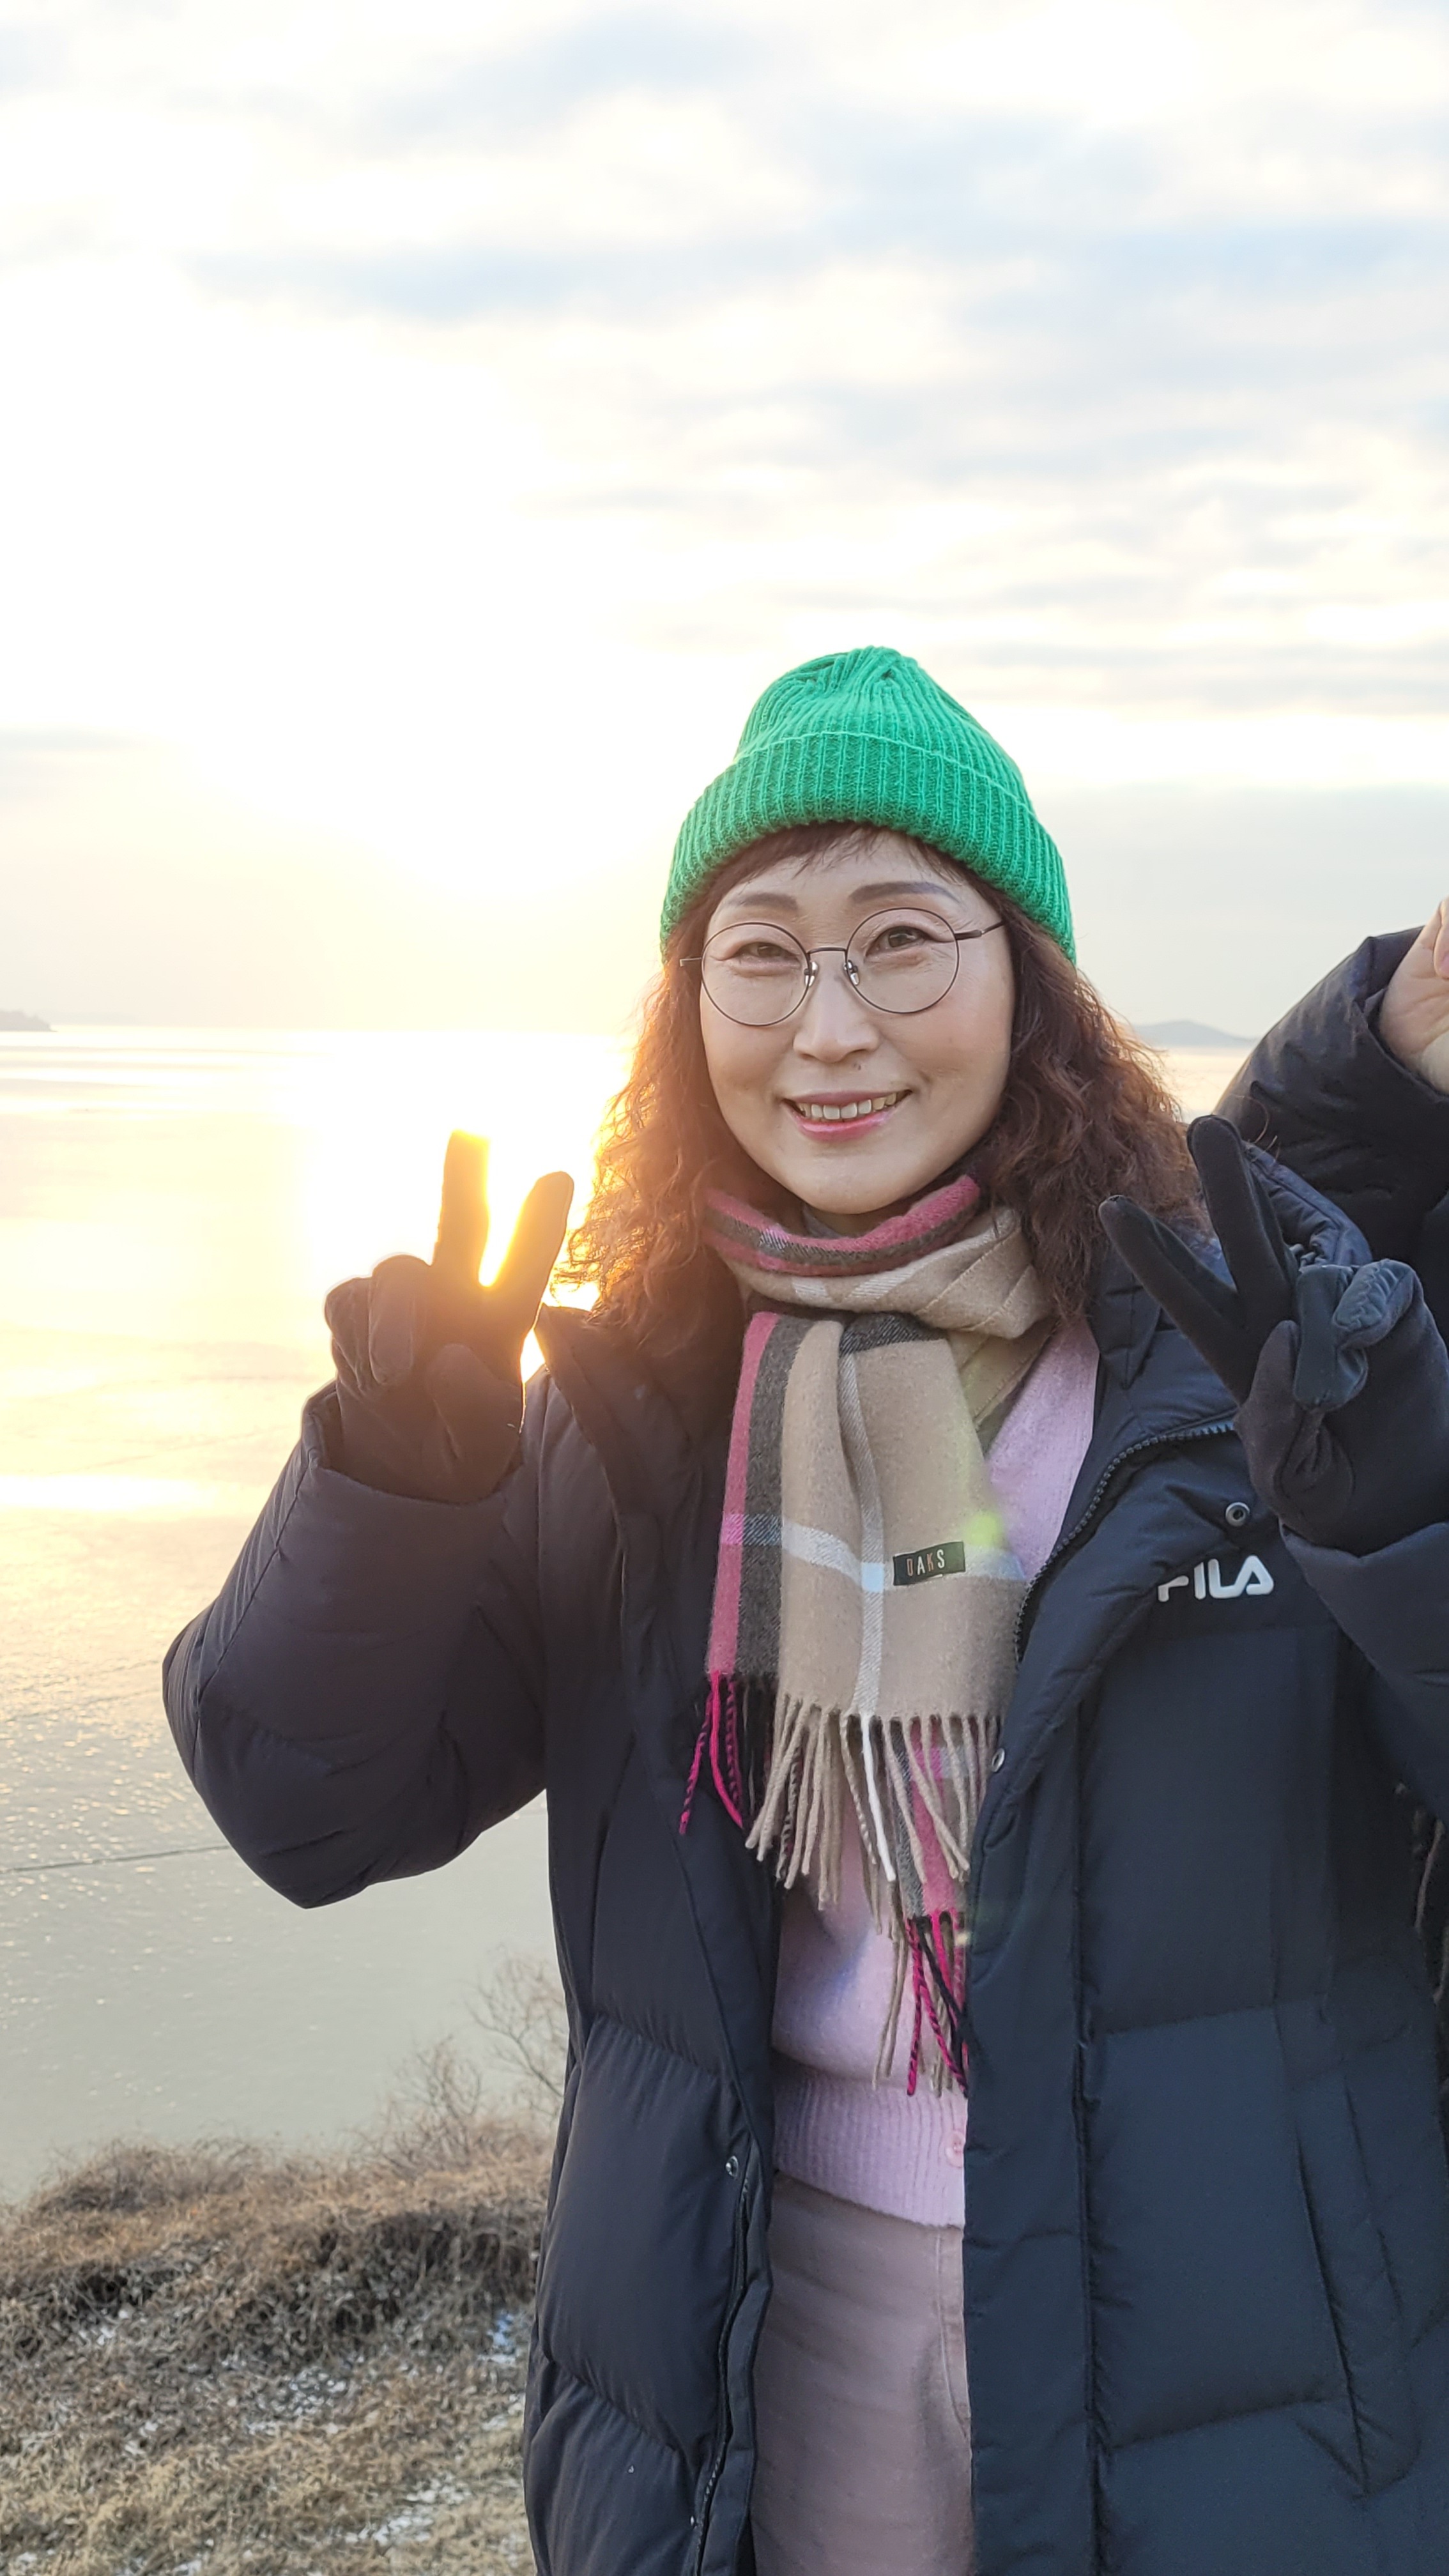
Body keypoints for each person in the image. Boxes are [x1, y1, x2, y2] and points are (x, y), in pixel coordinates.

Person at [164, 647, 1449, 2576]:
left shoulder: (1236, 1370)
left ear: (1030, 985)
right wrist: (394, 1486)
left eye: (903, 941)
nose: (828, 1026)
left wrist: (1403, 1510)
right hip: (768, 2340)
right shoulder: (632, 1419)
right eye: (759, 956)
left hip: (1231, 2349)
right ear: (688, 1010)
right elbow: (306, 1810)